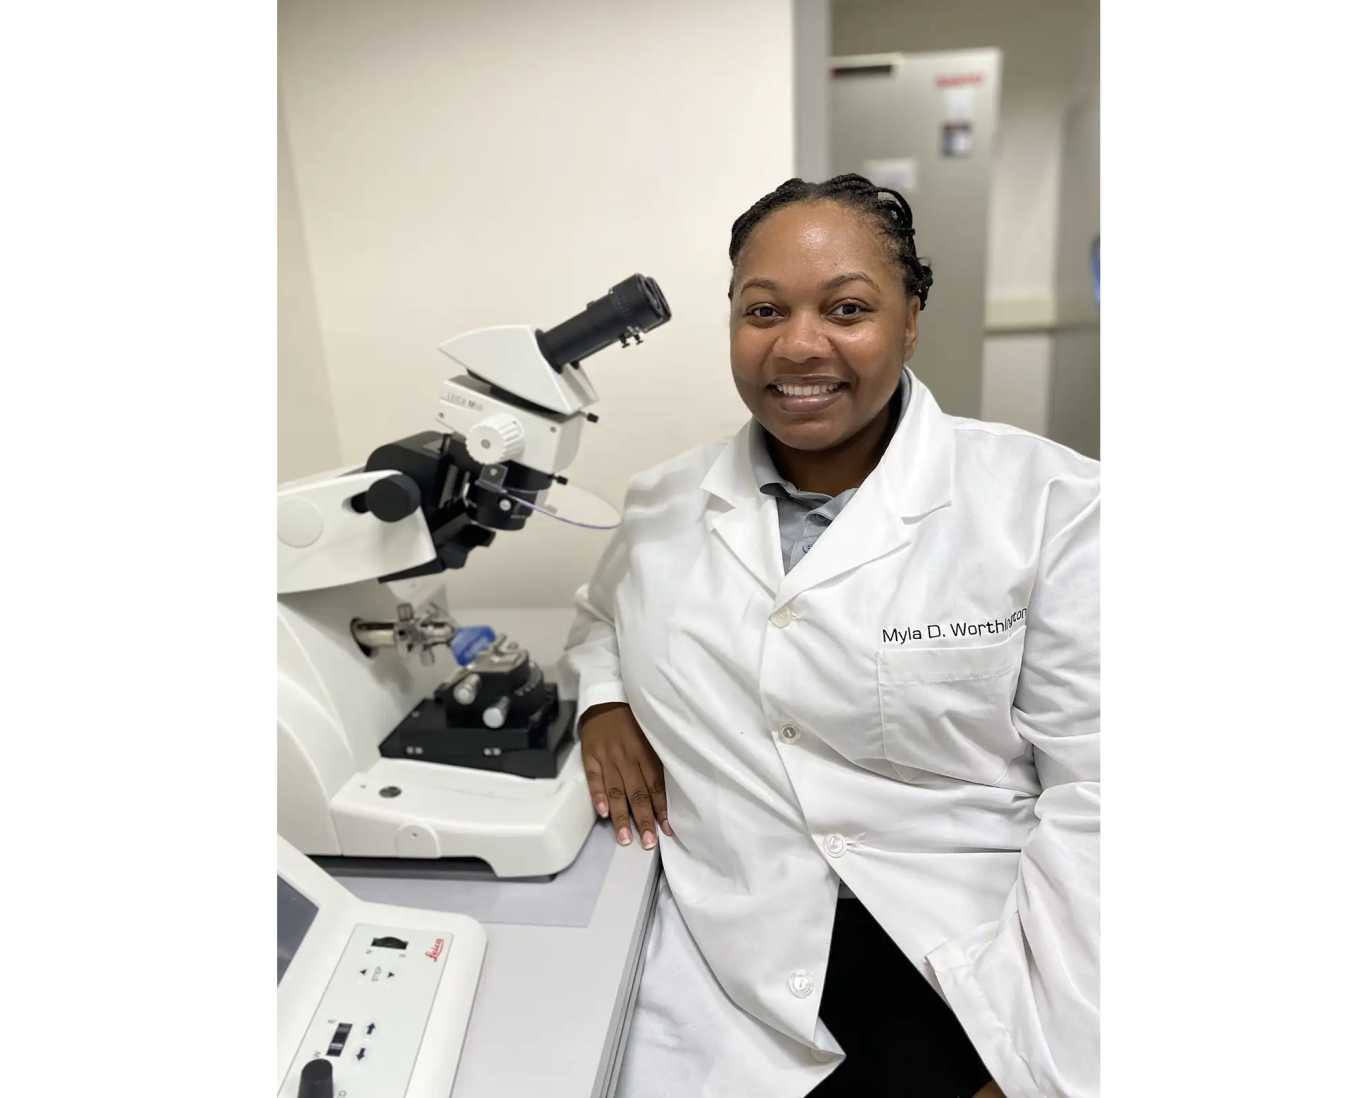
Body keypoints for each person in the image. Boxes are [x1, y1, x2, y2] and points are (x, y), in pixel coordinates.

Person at [560, 174, 1100, 1098]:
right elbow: (601, 611)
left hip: (977, 950)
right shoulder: (660, 503)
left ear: (911, 319)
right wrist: (603, 697)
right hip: (734, 951)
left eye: (847, 308)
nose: (800, 344)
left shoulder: (1048, 504)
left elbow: (1091, 790)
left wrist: (1048, 1059)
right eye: (762, 309)